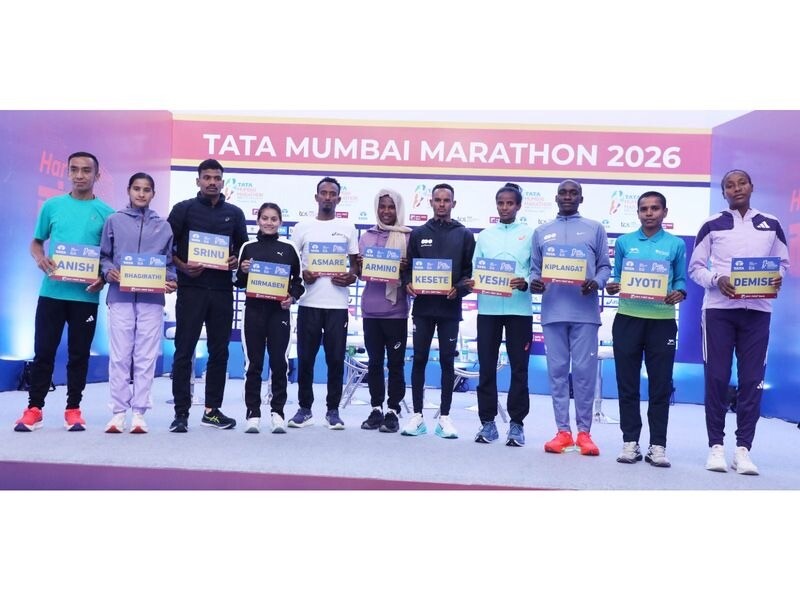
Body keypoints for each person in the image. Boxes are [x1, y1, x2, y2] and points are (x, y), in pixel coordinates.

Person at [688, 169, 789, 475]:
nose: (736, 189)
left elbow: (783, 263)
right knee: (717, 379)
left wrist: (776, 277)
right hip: (719, 311)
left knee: (751, 380)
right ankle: (716, 447)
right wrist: (716, 279)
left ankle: (743, 450)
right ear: (724, 193)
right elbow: (695, 268)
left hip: (757, 312)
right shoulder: (712, 224)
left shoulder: (771, 224)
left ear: (751, 186)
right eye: (729, 186)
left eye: (741, 183)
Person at [15, 151, 115, 432]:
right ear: (68, 172)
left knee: (79, 355)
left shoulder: (108, 214)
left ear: (97, 175)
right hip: (52, 293)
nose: (79, 175)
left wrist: (103, 279)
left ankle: (73, 409)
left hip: (85, 295)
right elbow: (36, 242)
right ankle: (34, 409)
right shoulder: (52, 206)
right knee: (43, 352)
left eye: (86, 170)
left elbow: (110, 257)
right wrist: (40, 258)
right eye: (74, 170)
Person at [605, 191, 687, 467]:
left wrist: (679, 292)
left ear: (665, 212)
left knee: (660, 385)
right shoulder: (624, 242)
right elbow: (617, 277)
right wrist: (613, 286)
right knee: (627, 384)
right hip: (628, 318)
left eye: (655, 208)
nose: (649, 213)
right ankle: (630, 442)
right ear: (638, 212)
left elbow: (680, 280)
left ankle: (657, 446)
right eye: (644, 209)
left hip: (662, 321)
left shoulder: (675, 244)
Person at [167, 159, 248, 432]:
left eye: (217, 178)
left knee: (219, 351)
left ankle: (212, 411)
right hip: (191, 290)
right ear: (198, 180)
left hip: (222, 291)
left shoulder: (235, 213)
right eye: (207, 177)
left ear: (223, 181)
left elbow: (242, 251)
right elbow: (166, 248)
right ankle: (180, 413)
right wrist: (182, 267)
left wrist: (236, 260)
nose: (212, 182)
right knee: (184, 351)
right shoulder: (183, 209)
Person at [530, 179, 611, 455]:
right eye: (563, 193)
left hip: (585, 312)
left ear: (581, 198)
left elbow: (604, 267)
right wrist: (534, 283)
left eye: (573, 193)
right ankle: (563, 432)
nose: (567, 197)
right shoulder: (542, 231)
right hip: (553, 312)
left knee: (585, 374)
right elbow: (535, 270)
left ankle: (584, 433)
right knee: (557, 373)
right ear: (556, 198)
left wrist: (597, 282)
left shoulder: (595, 228)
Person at [99, 173, 178, 434]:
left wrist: (171, 280)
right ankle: (118, 413)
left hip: (151, 299)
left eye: (146, 190)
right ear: (128, 190)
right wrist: (108, 271)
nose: (141, 194)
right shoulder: (114, 220)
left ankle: (140, 413)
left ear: (153, 193)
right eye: (136, 188)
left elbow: (169, 263)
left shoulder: (164, 226)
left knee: (146, 356)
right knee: (120, 355)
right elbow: (104, 256)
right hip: (120, 296)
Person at [402, 183, 476, 439]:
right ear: (431, 202)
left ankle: (444, 417)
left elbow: (469, 273)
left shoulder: (464, 234)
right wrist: (407, 283)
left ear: (453, 204)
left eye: (446, 200)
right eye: (437, 200)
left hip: (449, 309)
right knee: (419, 359)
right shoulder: (419, 233)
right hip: (423, 308)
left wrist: (460, 289)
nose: (442, 204)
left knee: (447, 361)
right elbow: (408, 269)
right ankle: (417, 416)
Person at [465, 183, 533, 446]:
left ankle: (517, 424)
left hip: (519, 310)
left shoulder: (530, 234)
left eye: (510, 203)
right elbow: (475, 269)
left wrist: (526, 282)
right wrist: (472, 282)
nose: (505, 208)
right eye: (501, 203)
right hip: (489, 309)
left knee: (519, 368)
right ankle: (488, 423)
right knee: (486, 367)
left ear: (519, 206)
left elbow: (536, 270)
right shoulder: (485, 235)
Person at [288, 177, 359, 430]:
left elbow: (355, 266)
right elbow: (292, 263)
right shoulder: (302, 227)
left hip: (337, 306)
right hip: (309, 303)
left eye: (332, 194)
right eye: (324, 193)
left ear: (338, 199)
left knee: (335, 360)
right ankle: (304, 409)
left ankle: (333, 411)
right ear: (316, 197)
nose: (328, 197)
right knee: (306, 359)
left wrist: (351, 277)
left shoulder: (348, 227)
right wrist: (302, 274)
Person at [235, 202, 303, 434]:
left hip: (279, 313)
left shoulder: (289, 248)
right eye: (265, 218)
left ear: (280, 222)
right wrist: (243, 271)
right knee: (253, 364)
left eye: (274, 219)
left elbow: (298, 283)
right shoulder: (248, 247)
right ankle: (253, 414)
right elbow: (238, 282)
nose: (269, 223)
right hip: (253, 312)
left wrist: (291, 297)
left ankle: (278, 413)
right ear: (258, 221)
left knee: (279, 363)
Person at [355, 189, 412, 433]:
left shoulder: (408, 237)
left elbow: (413, 275)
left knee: (396, 364)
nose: (386, 211)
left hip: (396, 311)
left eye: (391, 207)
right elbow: (359, 273)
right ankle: (376, 408)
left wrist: (405, 268)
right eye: (382, 206)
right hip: (371, 310)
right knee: (375, 363)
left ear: (398, 209)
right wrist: (359, 265)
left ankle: (393, 411)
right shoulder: (366, 237)